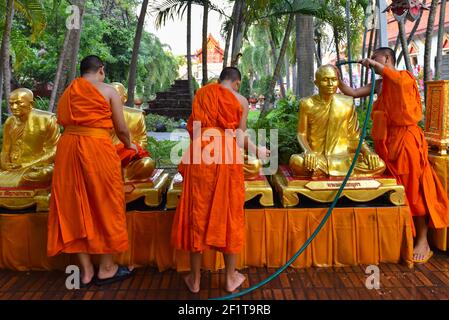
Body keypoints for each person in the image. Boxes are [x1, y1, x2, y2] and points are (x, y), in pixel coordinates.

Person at [337, 47, 449, 263]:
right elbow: (351, 92)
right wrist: (339, 79)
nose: (372, 60)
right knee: (396, 190)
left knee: (414, 191)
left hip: (407, 142)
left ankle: (423, 240)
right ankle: (403, 235)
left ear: (386, 58)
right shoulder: (379, 84)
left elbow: (398, 82)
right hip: (387, 145)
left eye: (376, 57)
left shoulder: (404, 77)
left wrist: (374, 65)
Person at [171, 67, 270, 293]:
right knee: (230, 214)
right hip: (226, 157)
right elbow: (239, 135)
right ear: (237, 82)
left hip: (201, 155)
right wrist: (257, 149)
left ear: (220, 80)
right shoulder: (241, 100)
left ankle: (195, 280)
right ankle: (230, 278)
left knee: (197, 214)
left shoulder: (203, 94)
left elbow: (195, 130)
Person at [47, 55, 138, 286]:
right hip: (96, 149)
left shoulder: (68, 92)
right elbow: (121, 129)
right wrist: (130, 145)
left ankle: (86, 271)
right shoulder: (108, 90)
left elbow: (63, 122)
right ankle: (107, 268)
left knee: (72, 207)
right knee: (107, 202)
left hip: (67, 151)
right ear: (101, 70)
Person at [289, 65, 385, 178]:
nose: (330, 84)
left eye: (334, 80)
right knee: (296, 162)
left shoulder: (346, 103)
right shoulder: (307, 103)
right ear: (316, 83)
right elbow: (302, 134)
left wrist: (368, 152)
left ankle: (325, 172)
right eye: (325, 80)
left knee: (379, 164)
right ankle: (334, 172)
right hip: (318, 157)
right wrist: (308, 151)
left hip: (343, 156)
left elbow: (354, 137)